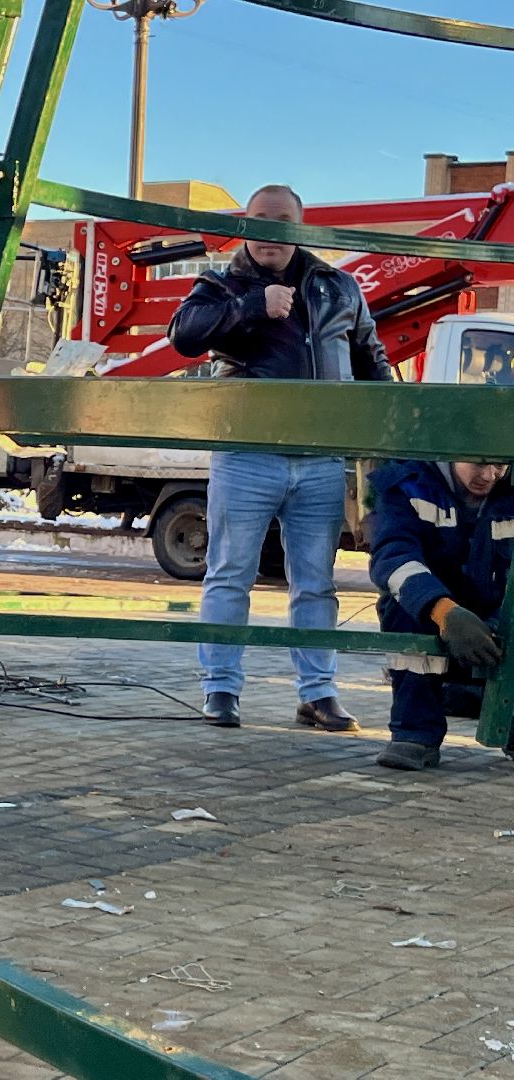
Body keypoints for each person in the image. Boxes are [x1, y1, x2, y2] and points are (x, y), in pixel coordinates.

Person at [169, 183, 394, 732]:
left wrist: (389, 435)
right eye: (259, 219)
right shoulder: (221, 282)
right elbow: (183, 336)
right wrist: (251, 307)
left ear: (298, 224)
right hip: (247, 454)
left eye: (281, 220)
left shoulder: (339, 286)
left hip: (320, 459)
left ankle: (318, 693)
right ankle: (220, 689)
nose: (270, 231)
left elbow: (371, 360)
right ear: (247, 224)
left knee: (316, 581)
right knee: (229, 574)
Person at [367, 458, 513, 770]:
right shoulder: (407, 485)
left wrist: (499, 622)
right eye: (479, 464)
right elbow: (393, 557)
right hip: (432, 610)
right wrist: (443, 612)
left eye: (500, 466)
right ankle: (415, 732)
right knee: (402, 608)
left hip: (498, 611)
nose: (488, 476)